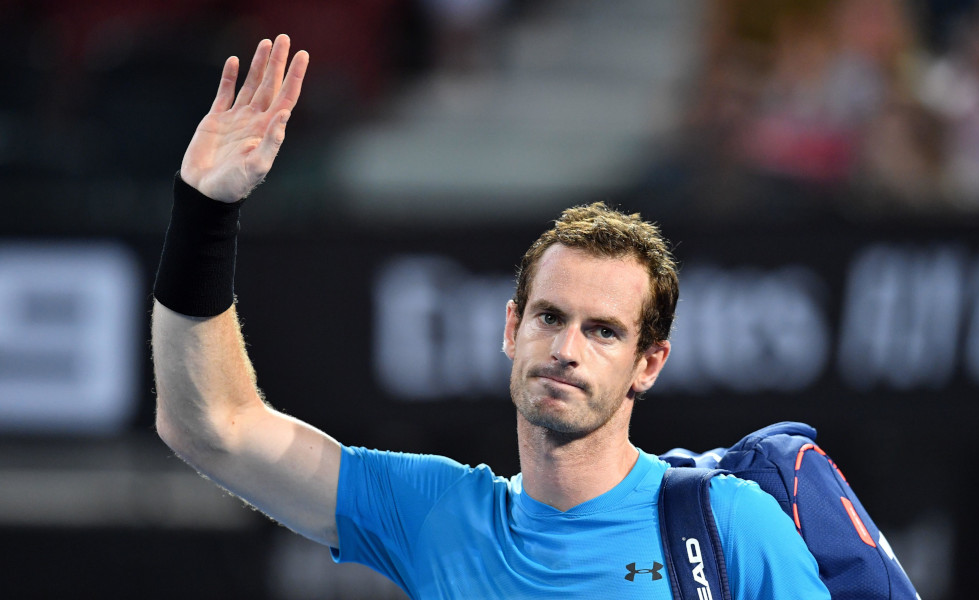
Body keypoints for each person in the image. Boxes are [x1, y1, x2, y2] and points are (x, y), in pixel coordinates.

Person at [151, 34, 831, 599]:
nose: (566, 348)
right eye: (549, 318)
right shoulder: (436, 513)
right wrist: (204, 213)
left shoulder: (728, 525)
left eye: (603, 331)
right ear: (511, 329)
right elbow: (212, 426)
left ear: (647, 364)